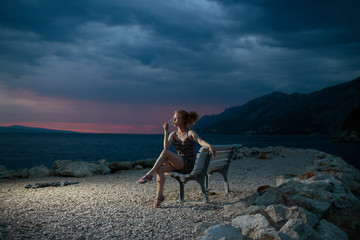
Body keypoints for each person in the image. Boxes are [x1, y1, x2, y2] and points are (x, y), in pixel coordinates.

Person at [137, 110, 216, 208]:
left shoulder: (190, 132)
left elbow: (200, 141)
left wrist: (209, 145)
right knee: (161, 169)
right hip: (179, 163)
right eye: (173, 118)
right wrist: (166, 132)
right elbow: (166, 146)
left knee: (165, 153)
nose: (173, 119)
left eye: (176, 118)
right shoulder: (173, 134)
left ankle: (149, 174)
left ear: (183, 120)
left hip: (188, 164)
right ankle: (159, 196)